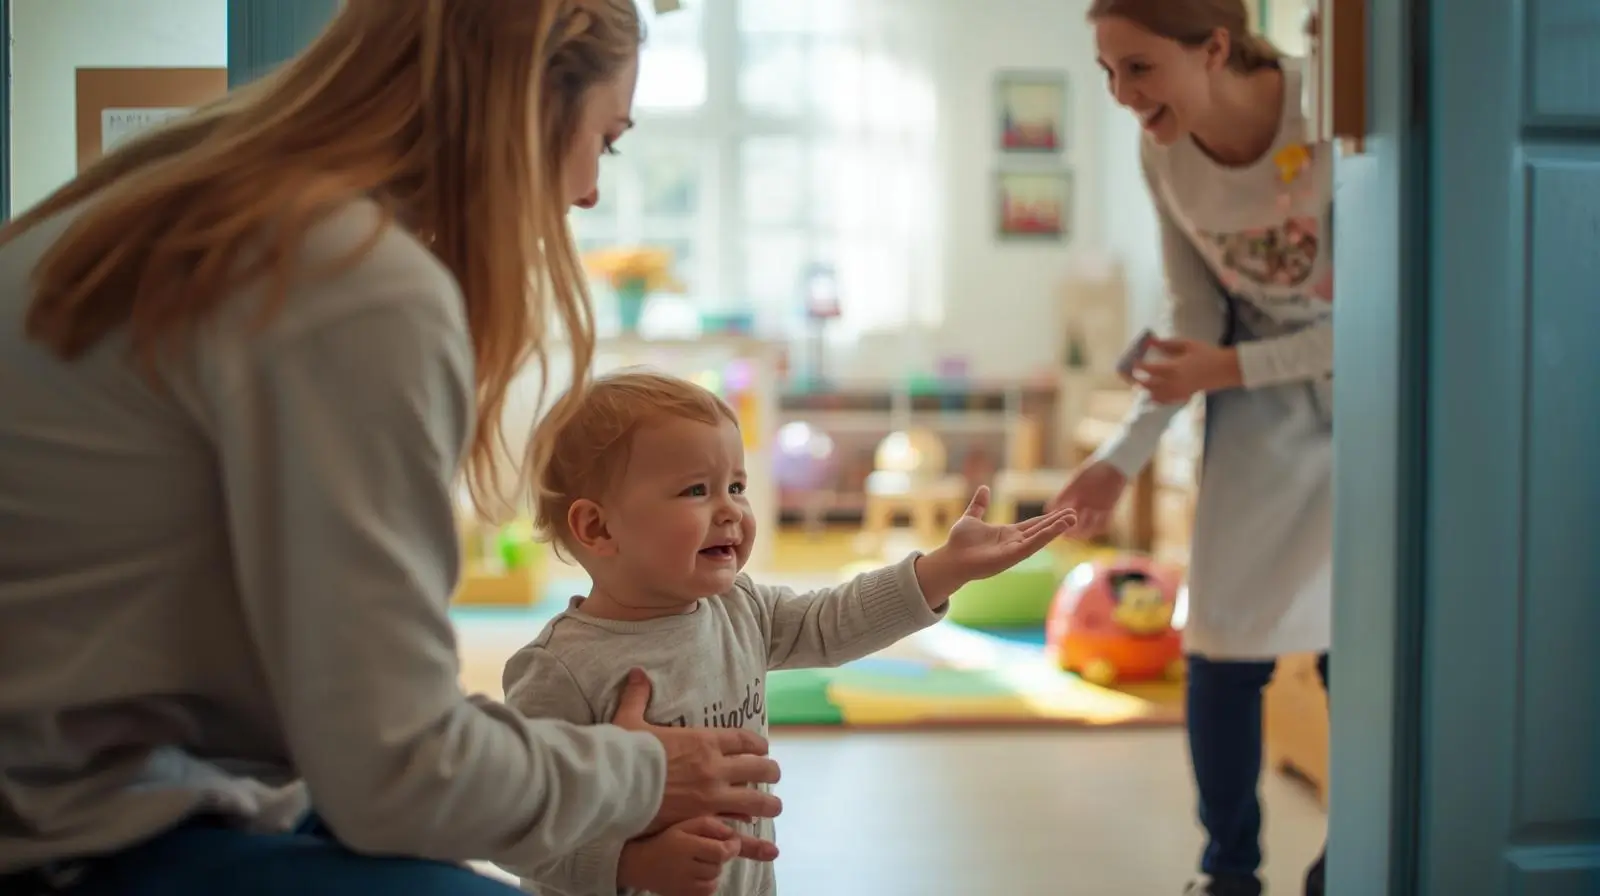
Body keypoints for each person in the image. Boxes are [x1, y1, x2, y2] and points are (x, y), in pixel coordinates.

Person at [0, 3, 784, 894]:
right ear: (526, 102)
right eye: (605, 141)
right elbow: (400, 775)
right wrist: (642, 772)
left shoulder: (173, 202)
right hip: (69, 839)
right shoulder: (347, 278)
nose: (589, 194)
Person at [499, 370, 1076, 896]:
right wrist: (631, 866)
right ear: (597, 527)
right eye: (696, 490)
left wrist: (946, 568)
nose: (730, 510)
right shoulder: (560, 669)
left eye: (737, 486)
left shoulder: (738, 606)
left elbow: (834, 622)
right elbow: (520, 826)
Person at [1054, 3, 1333, 895]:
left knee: (1358, 650)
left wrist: (1232, 363)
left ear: (1215, 47)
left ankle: (1355, 854)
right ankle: (1230, 872)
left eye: (1138, 69)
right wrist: (1122, 457)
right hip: (1260, 415)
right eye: (1108, 73)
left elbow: (1384, 309)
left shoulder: (1332, 108)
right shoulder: (1162, 151)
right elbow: (1192, 326)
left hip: (1374, 401)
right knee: (1217, 649)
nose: (1122, 95)